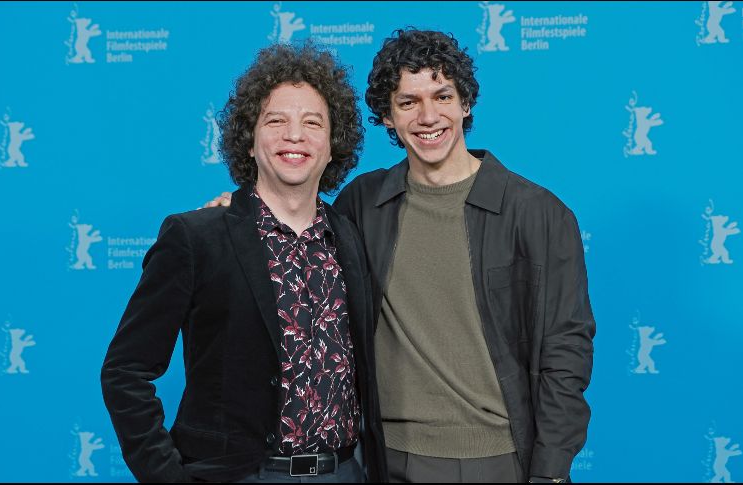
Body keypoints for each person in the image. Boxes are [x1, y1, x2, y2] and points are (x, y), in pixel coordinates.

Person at [208, 28, 595, 484]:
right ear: (388, 118)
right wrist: (233, 212)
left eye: (442, 96)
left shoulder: (538, 214)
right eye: (408, 102)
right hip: (382, 459)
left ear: (466, 103)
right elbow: (287, 219)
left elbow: (566, 353)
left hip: (497, 459)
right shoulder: (362, 203)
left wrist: (549, 473)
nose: (428, 116)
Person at [101, 42, 387, 483]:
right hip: (240, 474)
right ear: (249, 142)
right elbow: (126, 371)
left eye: (313, 123)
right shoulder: (196, 237)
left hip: (345, 472)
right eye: (276, 121)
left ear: (333, 146)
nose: (295, 135)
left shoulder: (348, 236)